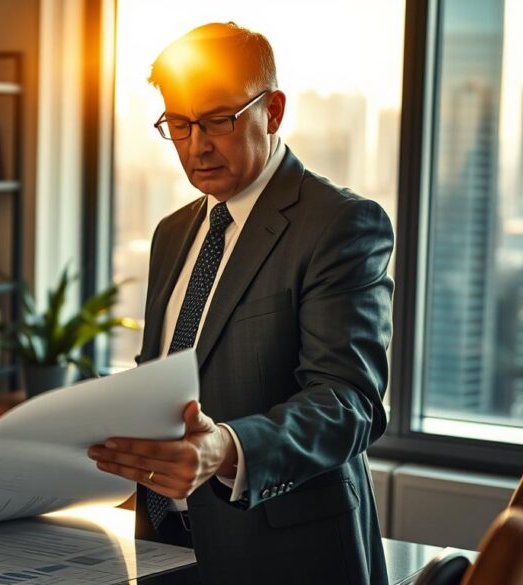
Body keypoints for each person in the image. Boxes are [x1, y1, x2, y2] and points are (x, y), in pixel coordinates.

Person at [87, 22, 393, 584]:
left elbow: (350, 402)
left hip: (286, 557)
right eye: (178, 124)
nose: (196, 145)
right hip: (164, 548)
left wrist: (224, 449)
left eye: (219, 120)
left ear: (272, 111)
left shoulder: (341, 224)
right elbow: (170, 376)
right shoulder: (172, 232)